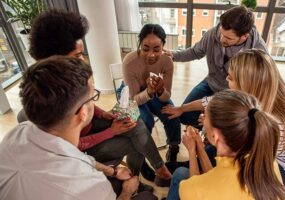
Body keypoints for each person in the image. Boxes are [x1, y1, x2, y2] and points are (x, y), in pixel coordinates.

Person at [19, 9, 172, 186]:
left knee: (134, 122)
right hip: (82, 150)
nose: (83, 61)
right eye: (77, 56)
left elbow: (88, 105)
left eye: (83, 54)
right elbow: (72, 148)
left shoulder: (68, 79)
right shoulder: (43, 104)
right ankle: (135, 178)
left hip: (89, 127)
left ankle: (149, 172)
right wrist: (111, 131)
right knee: (136, 140)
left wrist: (102, 114)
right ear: (56, 58)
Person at [0, 56, 158, 200]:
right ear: (83, 112)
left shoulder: (17, 133)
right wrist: (127, 192)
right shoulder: (90, 186)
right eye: (93, 96)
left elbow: (76, 155)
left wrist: (114, 172)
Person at [163, 49, 285, 193]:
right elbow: (213, 101)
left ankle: (193, 163)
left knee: (183, 174)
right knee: (210, 150)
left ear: (246, 84)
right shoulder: (261, 98)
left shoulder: (276, 125)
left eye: (230, 77)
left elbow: (223, 181)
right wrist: (182, 108)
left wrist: (195, 147)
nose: (226, 80)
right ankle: (194, 162)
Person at [164, 5, 268, 128]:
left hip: (236, 94)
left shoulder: (259, 51)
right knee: (186, 116)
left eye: (228, 37)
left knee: (222, 126)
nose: (221, 39)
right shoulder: (213, 33)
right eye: (221, 33)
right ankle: (207, 133)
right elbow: (195, 52)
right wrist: (174, 55)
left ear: (245, 36)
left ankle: (210, 136)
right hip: (212, 82)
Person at [172, 90, 285, 200]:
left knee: (179, 174)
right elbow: (217, 182)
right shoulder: (269, 164)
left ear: (215, 136)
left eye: (205, 116)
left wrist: (192, 151)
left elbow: (198, 189)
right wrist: (199, 149)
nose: (203, 118)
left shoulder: (191, 189)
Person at [122, 24, 181, 164]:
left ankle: (173, 147)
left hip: (153, 90)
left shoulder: (167, 61)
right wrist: (149, 92)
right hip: (132, 93)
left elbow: (166, 96)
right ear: (139, 45)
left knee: (171, 114)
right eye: (145, 48)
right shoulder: (130, 62)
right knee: (145, 120)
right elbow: (134, 99)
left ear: (163, 46)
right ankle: (141, 158)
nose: (151, 55)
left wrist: (160, 90)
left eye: (157, 49)